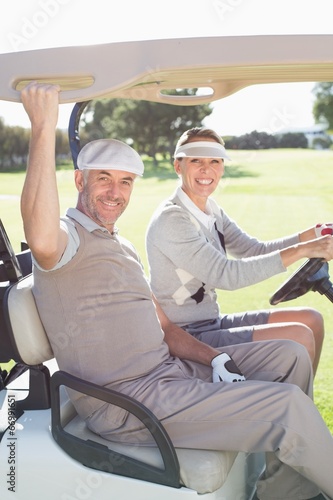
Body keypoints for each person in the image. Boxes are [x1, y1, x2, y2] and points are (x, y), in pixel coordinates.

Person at [20, 82, 333, 500]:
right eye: (103, 180)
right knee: (287, 408)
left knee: (290, 354)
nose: (116, 192)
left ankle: (286, 493)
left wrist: (216, 356)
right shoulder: (67, 241)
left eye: (126, 182)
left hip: (169, 371)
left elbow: (165, 329)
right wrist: (43, 128)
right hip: (129, 402)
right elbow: (40, 238)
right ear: (79, 180)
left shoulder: (121, 244)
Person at [146, 127, 332, 375]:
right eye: (196, 161)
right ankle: (293, 409)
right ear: (178, 166)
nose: (206, 169)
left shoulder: (212, 210)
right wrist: (302, 250)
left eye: (214, 161)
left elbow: (252, 250)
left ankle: (300, 401)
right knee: (299, 335)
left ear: (222, 167)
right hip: (188, 335)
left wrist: (310, 235)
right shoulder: (172, 219)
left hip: (212, 323)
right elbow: (226, 275)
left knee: (311, 320)